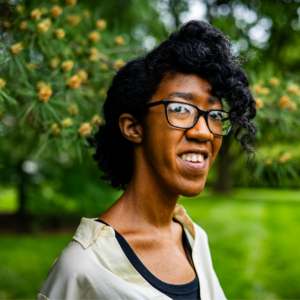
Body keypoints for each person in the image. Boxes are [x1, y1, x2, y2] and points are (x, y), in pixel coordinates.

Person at [36, 20, 257, 300]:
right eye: (180, 109)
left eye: (214, 115)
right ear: (133, 127)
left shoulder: (194, 238)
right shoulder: (84, 268)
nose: (203, 131)